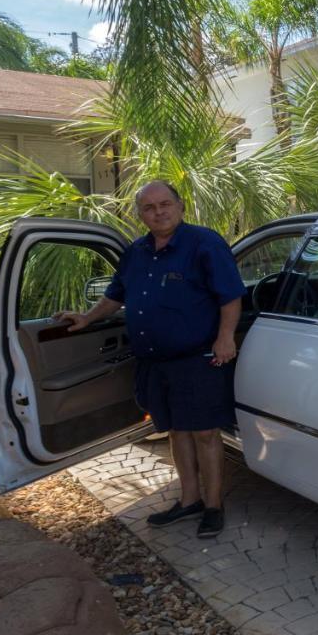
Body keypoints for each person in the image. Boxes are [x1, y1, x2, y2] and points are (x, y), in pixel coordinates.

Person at [54, 181, 246, 538]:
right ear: (139, 213)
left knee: (204, 432)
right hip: (154, 362)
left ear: (180, 205)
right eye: (149, 207)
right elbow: (116, 295)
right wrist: (87, 318)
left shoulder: (205, 244)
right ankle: (189, 501)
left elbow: (230, 296)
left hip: (198, 358)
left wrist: (225, 338)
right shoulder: (136, 252)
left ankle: (214, 506)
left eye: (165, 204)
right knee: (176, 430)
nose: (158, 212)